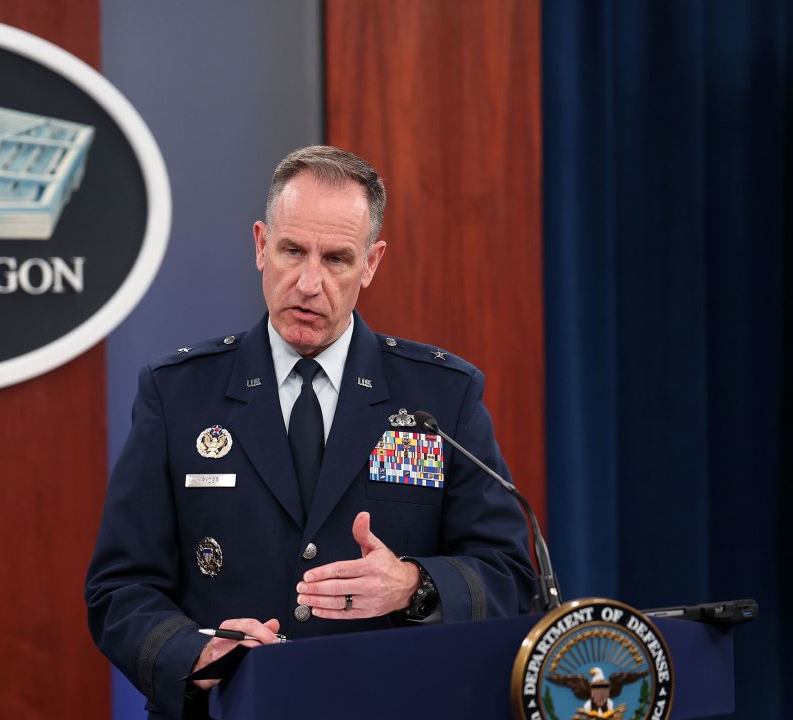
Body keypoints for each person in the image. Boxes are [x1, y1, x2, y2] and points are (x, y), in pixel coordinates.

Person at [85, 145, 534, 718]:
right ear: (259, 246)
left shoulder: (440, 398)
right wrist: (193, 654)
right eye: (292, 250)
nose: (308, 282)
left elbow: (510, 576)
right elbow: (118, 590)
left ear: (371, 264)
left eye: (337, 259)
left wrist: (414, 584)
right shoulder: (177, 395)